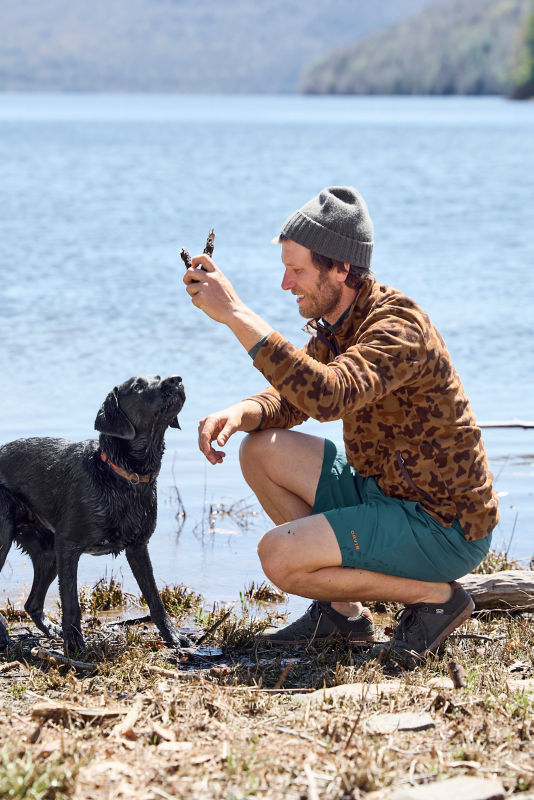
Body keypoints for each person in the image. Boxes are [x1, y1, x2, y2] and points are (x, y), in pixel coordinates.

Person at [183, 186, 499, 657]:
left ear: (342, 268)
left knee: (279, 558)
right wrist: (243, 412)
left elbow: (330, 395)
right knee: (260, 448)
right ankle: (342, 615)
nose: (286, 284)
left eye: (297, 270)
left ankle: (438, 599)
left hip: (443, 525)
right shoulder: (340, 324)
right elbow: (298, 395)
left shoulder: (397, 326)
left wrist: (235, 314)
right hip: (385, 496)